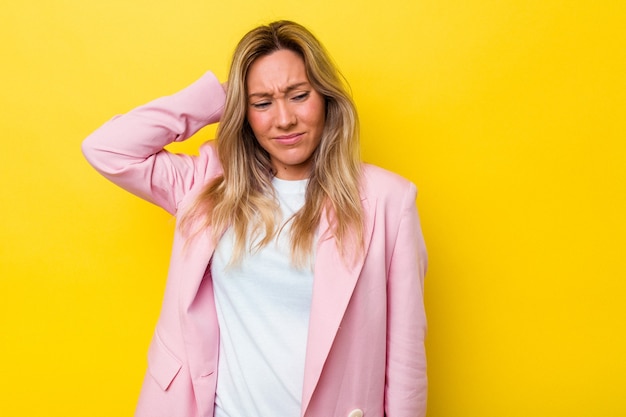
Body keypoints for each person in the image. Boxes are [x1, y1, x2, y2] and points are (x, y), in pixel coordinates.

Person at [82, 20, 427, 417]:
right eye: (262, 103)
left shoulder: (388, 201)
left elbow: (405, 360)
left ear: (326, 98)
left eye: (299, 95)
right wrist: (219, 97)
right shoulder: (208, 184)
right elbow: (106, 149)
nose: (284, 119)